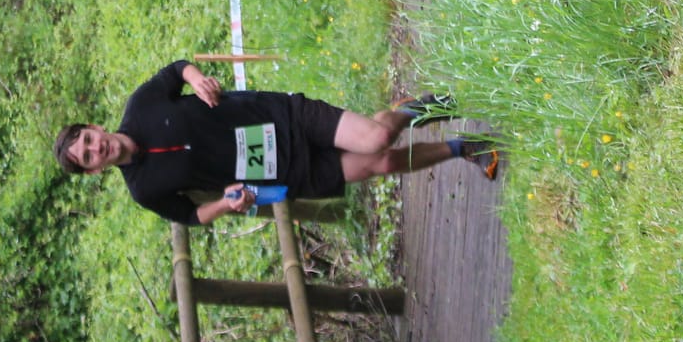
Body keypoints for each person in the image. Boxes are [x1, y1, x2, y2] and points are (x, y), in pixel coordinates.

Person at [53, 61, 498, 225]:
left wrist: (196, 78)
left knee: (377, 137)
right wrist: (226, 204)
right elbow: (191, 215)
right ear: (94, 171)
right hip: (281, 172)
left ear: (93, 127)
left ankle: (419, 108)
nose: (97, 148)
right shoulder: (143, 190)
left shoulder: (141, 105)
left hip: (282, 117)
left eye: (88, 139)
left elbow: (177, 70)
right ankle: (464, 149)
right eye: (88, 156)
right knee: (381, 164)